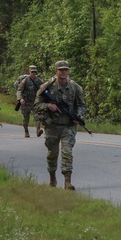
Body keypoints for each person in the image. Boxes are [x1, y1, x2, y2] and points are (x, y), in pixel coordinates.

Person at [34, 61, 86, 190]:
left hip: (68, 126)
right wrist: (48, 106)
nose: (63, 72)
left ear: (68, 71)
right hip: (52, 126)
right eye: (60, 70)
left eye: (65, 70)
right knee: (52, 154)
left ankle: (67, 181)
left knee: (67, 152)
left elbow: (82, 105)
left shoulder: (75, 87)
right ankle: (52, 178)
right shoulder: (47, 87)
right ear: (56, 71)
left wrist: (79, 116)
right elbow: (36, 105)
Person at [15, 66, 43, 138]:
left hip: (35, 102)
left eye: (35, 72)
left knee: (37, 116)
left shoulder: (39, 81)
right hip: (26, 102)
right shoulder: (25, 80)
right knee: (26, 118)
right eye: (32, 72)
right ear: (29, 72)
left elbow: (43, 89)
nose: (33, 73)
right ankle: (26, 131)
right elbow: (19, 90)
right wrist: (20, 99)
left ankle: (38, 130)